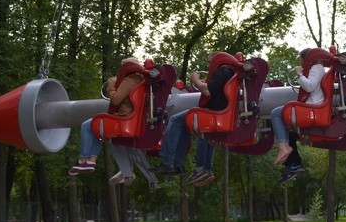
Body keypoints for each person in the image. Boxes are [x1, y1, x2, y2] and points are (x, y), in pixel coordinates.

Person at [154, 53, 235, 188]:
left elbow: (207, 91)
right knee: (188, 125)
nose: (208, 66)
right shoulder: (230, 73)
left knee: (175, 120)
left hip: (213, 112)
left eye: (209, 62)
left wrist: (195, 80)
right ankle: (195, 167)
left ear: (217, 61)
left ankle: (169, 161)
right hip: (219, 112)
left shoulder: (221, 72)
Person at [68, 58, 145, 178]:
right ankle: (91, 160)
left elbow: (115, 100)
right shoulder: (142, 81)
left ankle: (84, 159)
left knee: (87, 125)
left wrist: (111, 85)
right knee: (98, 128)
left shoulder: (129, 80)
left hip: (124, 120)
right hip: (132, 119)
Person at [270, 48, 323, 183]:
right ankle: (292, 163)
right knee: (287, 124)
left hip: (313, 107)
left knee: (276, 113)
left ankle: (283, 147)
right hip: (313, 105)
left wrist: (299, 74)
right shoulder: (318, 68)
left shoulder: (316, 68)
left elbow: (310, 86)